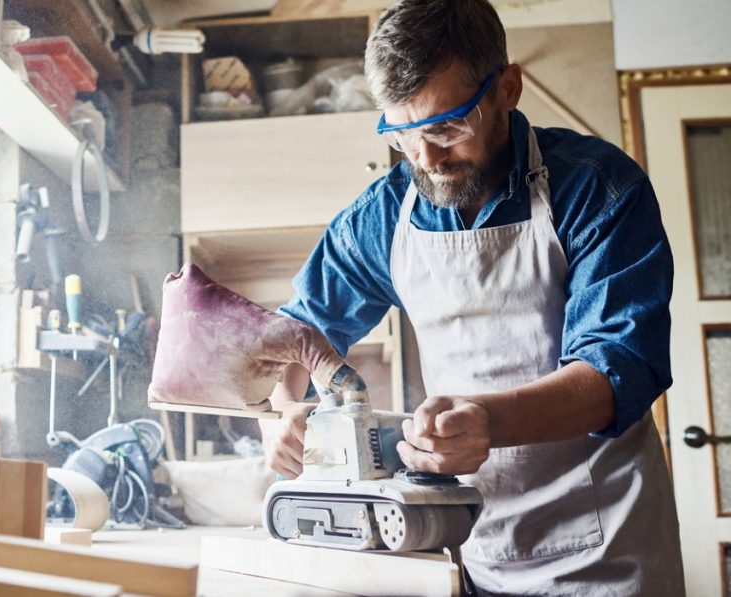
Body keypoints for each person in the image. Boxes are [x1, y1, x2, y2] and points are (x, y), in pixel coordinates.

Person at [257, 0, 685, 594]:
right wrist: (284, 416)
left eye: (446, 126)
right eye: (402, 134)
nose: (426, 161)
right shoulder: (382, 217)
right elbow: (296, 338)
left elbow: (619, 370)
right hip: (466, 542)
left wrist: (485, 420)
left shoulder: (597, 188)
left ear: (508, 87)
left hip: (605, 546)